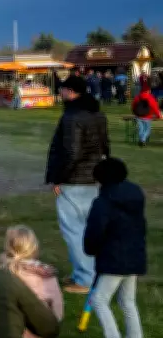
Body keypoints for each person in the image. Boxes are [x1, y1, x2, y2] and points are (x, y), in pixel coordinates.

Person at [45, 74, 109, 294]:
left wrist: (59, 177)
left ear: (71, 91)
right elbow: (105, 146)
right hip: (94, 178)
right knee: (89, 228)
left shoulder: (72, 117)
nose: (60, 93)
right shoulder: (97, 114)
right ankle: (85, 272)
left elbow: (71, 152)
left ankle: (84, 278)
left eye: (62, 89)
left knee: (73, 230)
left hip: (74, 180)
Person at [84, 158, 146, 338]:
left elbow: (96, 231)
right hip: (134, 254)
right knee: (128, 300)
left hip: (114, 257)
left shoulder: (103, 202)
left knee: (99, 300)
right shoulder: (135, 194)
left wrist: (90, 248)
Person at [131, 79, 161, 147]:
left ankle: (141, 140)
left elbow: (133, 106)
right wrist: (158, 115)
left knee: (141, 129)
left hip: (138, 116)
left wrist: (135, 113)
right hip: (147, 116)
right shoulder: (150, 98)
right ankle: (143, 140)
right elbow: (155, 108)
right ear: (148, 90)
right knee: (147, 130)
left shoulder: (137, 97)